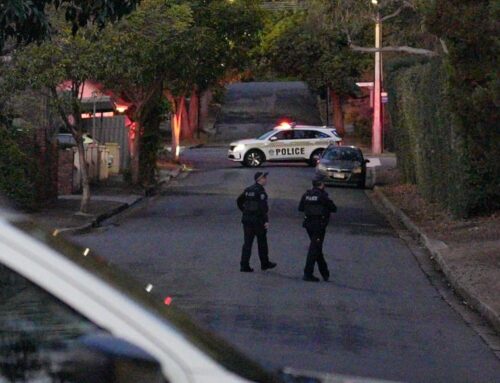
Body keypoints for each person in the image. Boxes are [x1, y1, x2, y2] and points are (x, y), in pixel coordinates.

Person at [298, 177, 337, 282]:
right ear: (322, 184)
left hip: (308, 225)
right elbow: (333, 208)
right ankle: (308, 273)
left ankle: (324, 272)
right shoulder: (322, 196)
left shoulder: (306, 195)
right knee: (314, 249)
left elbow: (300, 208)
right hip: (319, 225)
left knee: (316, 247)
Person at [237, 172, 277, 272]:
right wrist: (266, 221)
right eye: (264, 178)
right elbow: (263, 208)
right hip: (258, 220)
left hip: (247, 220)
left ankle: (244, 265)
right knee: (262, 242)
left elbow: (239, 200)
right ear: (259, 179)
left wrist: (245, 211)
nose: (266, 180)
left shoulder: (248, 190)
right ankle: (264, 263)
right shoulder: (261, 192)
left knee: (247, 243)